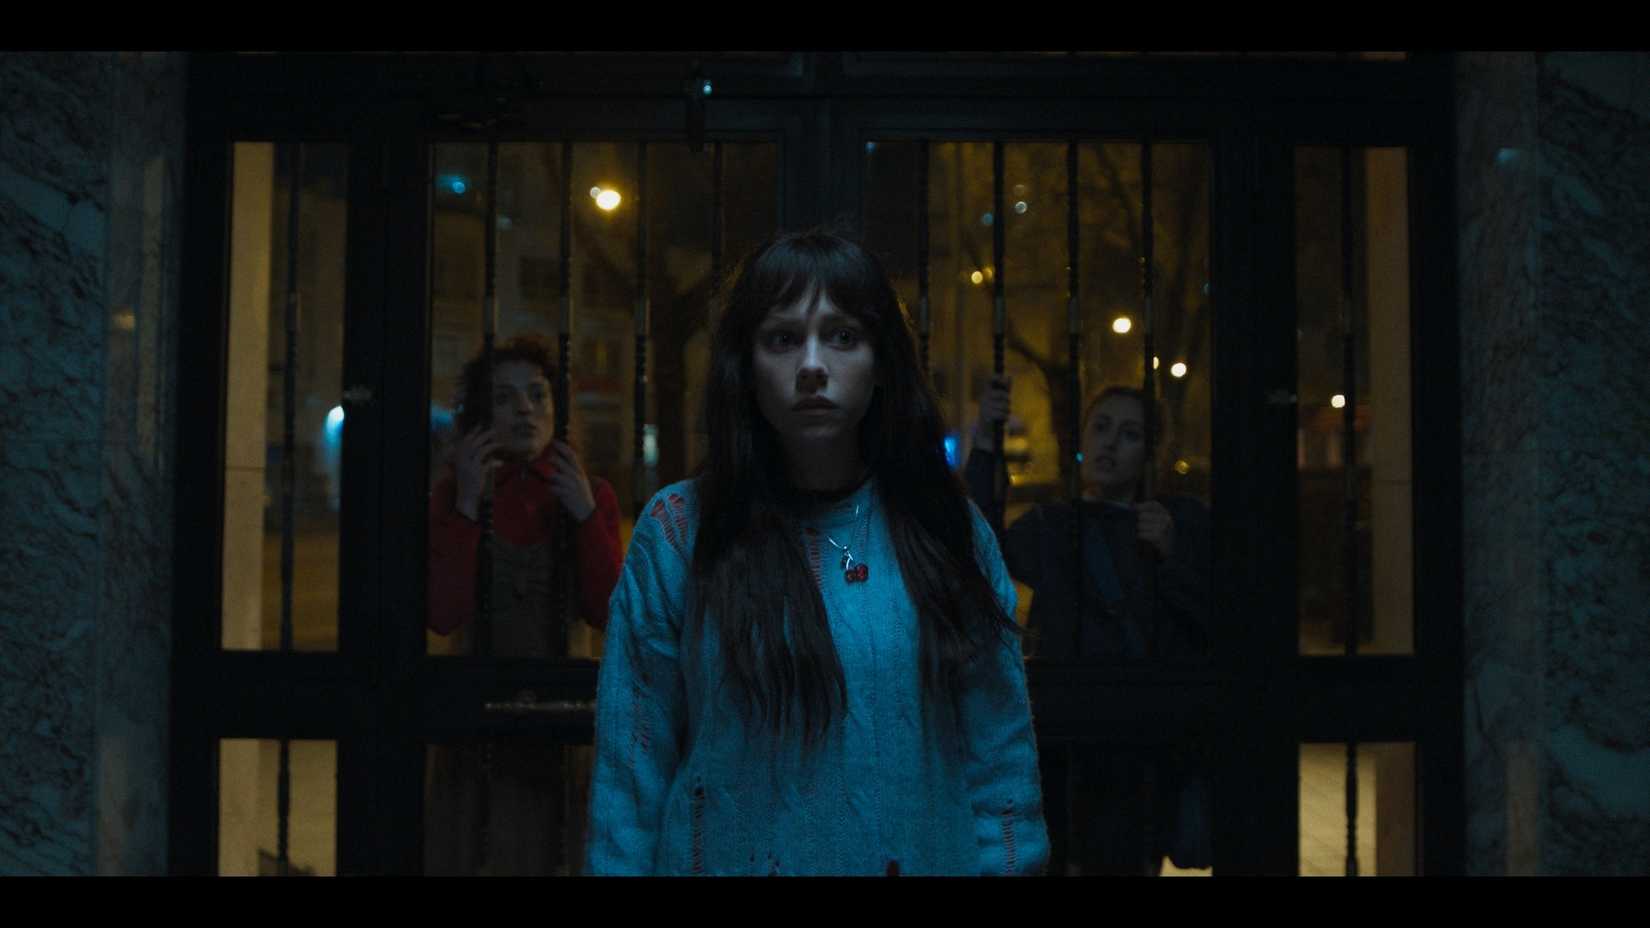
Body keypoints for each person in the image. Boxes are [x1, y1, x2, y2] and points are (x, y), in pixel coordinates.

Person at [585, 230, 1048, 876]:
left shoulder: (946, 531)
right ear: (745, 363)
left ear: (881, 360)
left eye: (842, 336)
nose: (811, 365)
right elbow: (630, 774)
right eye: (781, 338)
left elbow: (1000, 762)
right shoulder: (680, 532)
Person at [965, 377, 1212, 874]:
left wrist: (1174, 553)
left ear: (1151, 451)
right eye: (1100, 427)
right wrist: (987, 447)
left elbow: (1221, 617)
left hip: (1141, 745)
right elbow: (981, 545)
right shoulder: (1056, 526)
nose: (1110, 442)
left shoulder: (1180, 521)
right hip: (1066, 739)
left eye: (1129, 433)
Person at [424, 334, 624, 875]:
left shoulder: (589, 493)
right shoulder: (455, 494)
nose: (525, 410)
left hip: (560, 728)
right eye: (505, 398)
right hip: (478, 725)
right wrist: (467, 503)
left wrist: (584, 515)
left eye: (538, 395)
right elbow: (443, 614)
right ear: (481, 414)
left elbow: (609, 614)